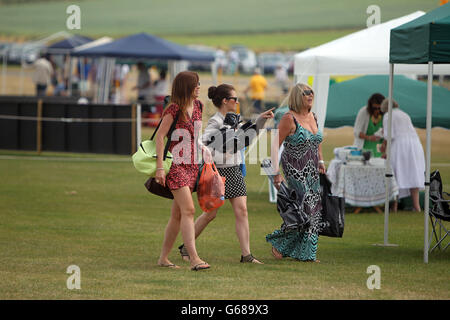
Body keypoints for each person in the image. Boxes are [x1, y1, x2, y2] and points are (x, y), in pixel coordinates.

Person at [177, 84, 274, 264]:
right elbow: (218, 144)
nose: (237, 102)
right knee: (210, 214)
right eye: (234, 99)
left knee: (242, 211)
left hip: (234, 169)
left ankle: (246, 255)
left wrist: (260, 120)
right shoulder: (215, 122)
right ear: (225, 101)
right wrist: (231, 132)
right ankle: (185, 246)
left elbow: (244, 138)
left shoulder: (233, 119)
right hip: (218, 172)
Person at [155, 71, 213, 271]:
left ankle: (163, 258)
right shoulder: (173, 108)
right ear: (186, 87)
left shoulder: (199, 106)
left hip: (192, 165)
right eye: (196, 84)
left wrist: (203, 148)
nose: (199, 87)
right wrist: (160, 168)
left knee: (177, 215)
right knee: (189, 210)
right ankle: (194, 258)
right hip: (175, 165)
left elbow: (195, 135)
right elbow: (160, 137)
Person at [266, 83, 326, 262]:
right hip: (295, 169)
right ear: (297, 97)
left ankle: (304, 252)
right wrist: (275, 172)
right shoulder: (289, 118)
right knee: (305, 209)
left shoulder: (313, 116)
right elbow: (274, 145)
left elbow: (317, 140)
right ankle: (283, 244)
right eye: (305, 93)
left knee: (314, 210)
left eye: (311, 93)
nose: (310, 95)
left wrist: (321, 160)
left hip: (313, 169)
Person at [380, 98, 425, 212]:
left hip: (400, 146)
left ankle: (394, 206)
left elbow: (389, 135)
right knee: (413, 173)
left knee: (394, 173)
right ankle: (416, 206)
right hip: (415, 145)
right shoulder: (404, 114)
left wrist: (384, 147)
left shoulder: (387, 115)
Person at [353, 93, 385, 157]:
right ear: (370, 107)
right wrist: (369, 138)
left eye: (379, 108)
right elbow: (356, 132)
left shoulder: (386, 114)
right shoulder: (363, 112)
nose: (377, 110)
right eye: (375, 108)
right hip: (364, 149)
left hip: (380, 151)